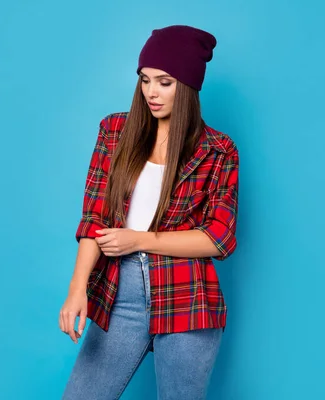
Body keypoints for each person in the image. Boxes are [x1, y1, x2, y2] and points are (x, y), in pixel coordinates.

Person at [59, 25, 239, 400]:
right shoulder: (114, 131)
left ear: (187, 86)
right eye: (145, 80)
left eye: (165, 82)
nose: (151, 92)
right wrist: (77, 289)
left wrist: (137, 239)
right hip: (119, 293)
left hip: (187, 296)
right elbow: (94, 218)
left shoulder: (218, 150)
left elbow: (218, 238)